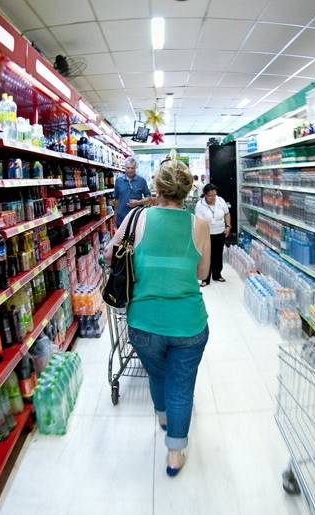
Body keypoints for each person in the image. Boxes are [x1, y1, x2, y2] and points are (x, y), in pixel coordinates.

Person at [104, 159, 210, 477]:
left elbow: (109, 255)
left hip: (143, 323)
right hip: (189, 324)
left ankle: (163, 417)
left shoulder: (137, 218)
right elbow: (202, 274)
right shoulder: (199, 225)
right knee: (182, 386)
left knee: (157, 375)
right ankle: (175, 454)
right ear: (187, 191)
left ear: (157, 188)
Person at [193, 183, 230, 286]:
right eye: (210, 195)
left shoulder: (220, 200)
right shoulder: (200, 205)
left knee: (218, 254)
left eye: (214, 195)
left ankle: (217, 275)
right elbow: (199, 221)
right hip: (207, 234)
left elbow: (227, 213)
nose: (213, 197)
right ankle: (205, 278)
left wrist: (228, 226)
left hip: (220, 232)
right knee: (206, 256)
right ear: (205, 195)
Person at [113, 157, 152, 227]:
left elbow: (149, 198)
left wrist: (138, 202)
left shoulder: (141, 181)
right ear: (125, 168)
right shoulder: (118, 181)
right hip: (121, 218)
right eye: (128, 168)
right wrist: (115, 216)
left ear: (136, 168)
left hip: (136, 218)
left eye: (132, 168)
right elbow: (116, 199)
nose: (130, 170)